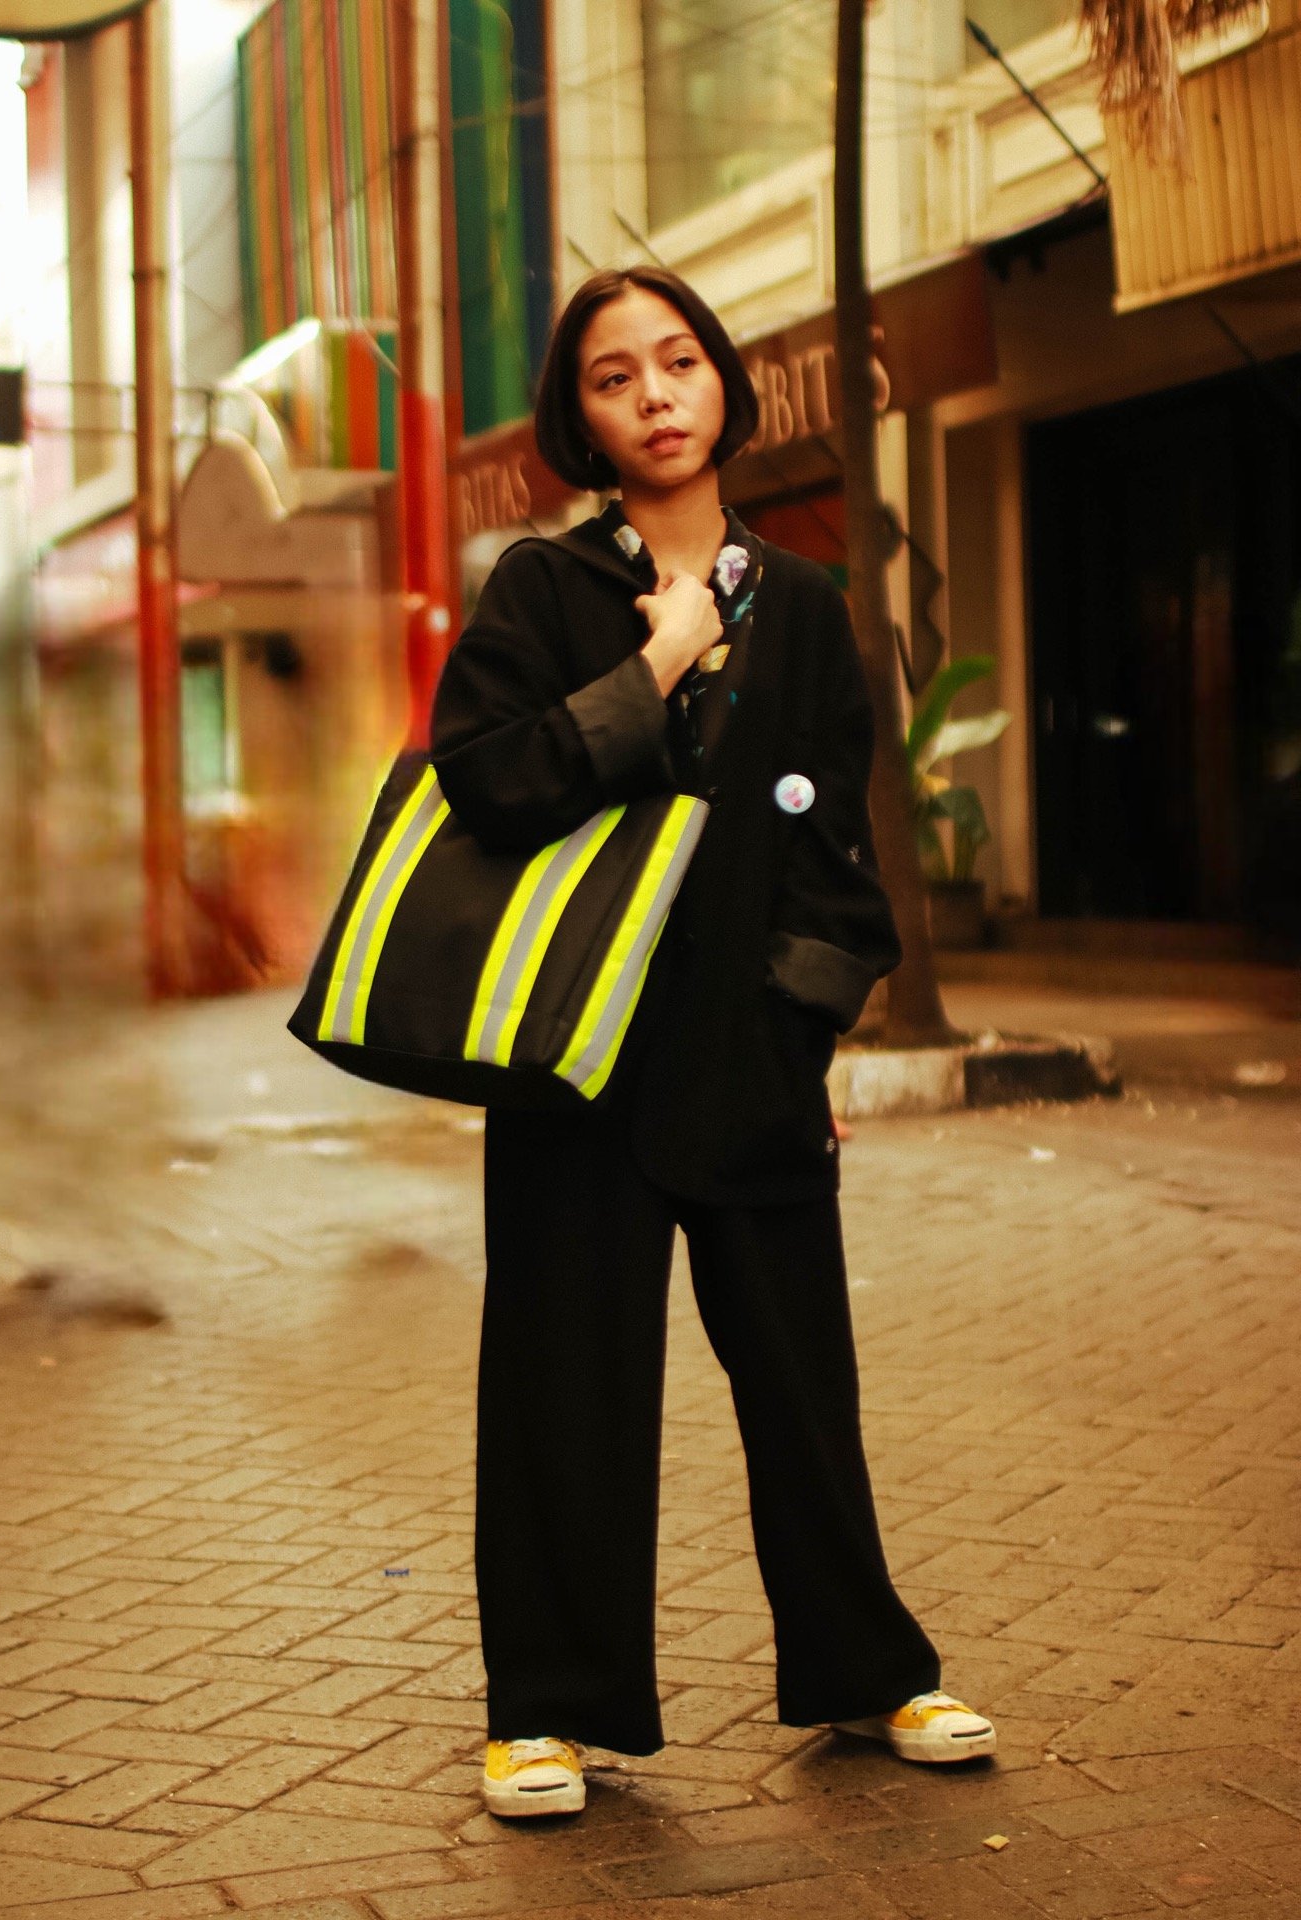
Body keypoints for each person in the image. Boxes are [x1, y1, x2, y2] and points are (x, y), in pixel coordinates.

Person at [429, 266, 996, 1820]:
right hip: (576, 1065)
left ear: (724, 384)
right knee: (563, 1387)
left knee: (804, 1386)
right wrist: (658, 659)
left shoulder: (807, 606)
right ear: (582, 416)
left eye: (680, 362)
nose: (658, 395)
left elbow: (839, 861)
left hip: (746, 1064)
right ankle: (545, 1709)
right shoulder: (542, 594)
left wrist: (800, 1041)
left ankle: (869, 1673)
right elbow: (490, 783)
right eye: (618, 377)